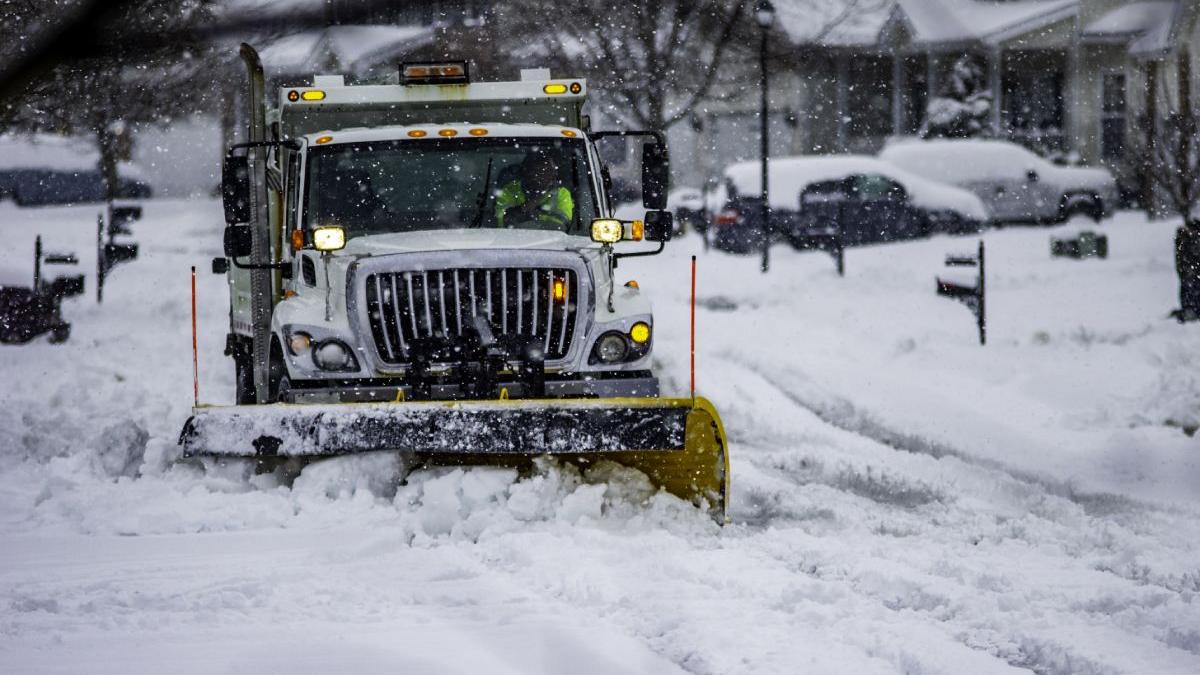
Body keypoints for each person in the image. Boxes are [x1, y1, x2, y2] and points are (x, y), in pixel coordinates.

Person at [494, 152, 573, 229]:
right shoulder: (509, 190)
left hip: (552, 240)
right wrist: (522, 209)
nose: (542, 175)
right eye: (538, 171)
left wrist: (536, 214)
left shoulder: (561, 193)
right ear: (527, 172)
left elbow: (561, 225)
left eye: (548, 171)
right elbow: (501, 222)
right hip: (510, 239)